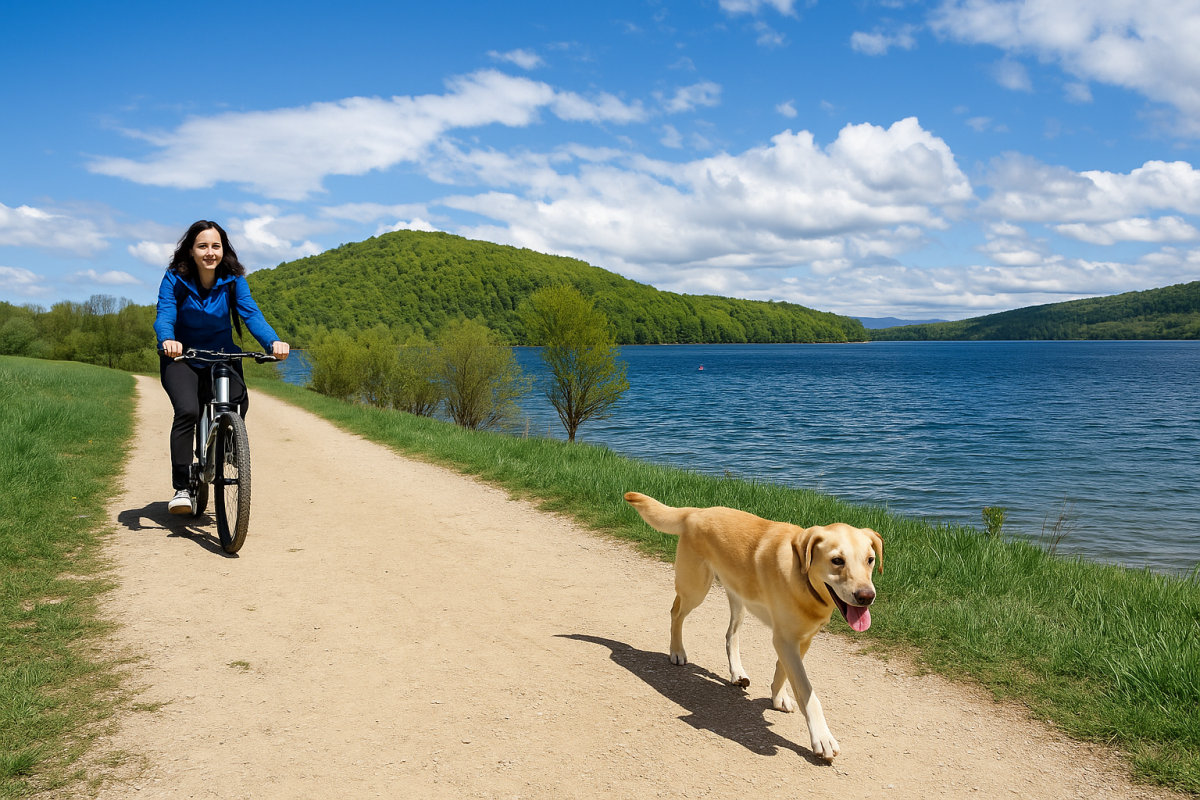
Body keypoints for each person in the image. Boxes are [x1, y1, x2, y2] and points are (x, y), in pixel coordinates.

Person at [154, 220, 290, 514]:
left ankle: (229, 447)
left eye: (215, 246)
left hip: (222, 354)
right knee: (188, 411)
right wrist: (167, 339)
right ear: (191, 250)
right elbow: (165, 313)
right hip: (182, 356)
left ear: (223, 249)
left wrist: (273, 342)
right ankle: (183, 487)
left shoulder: (233, 279)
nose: (210, 252)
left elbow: (251, 314)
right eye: (202, 246)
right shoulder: (175, 278)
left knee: (238, 400)